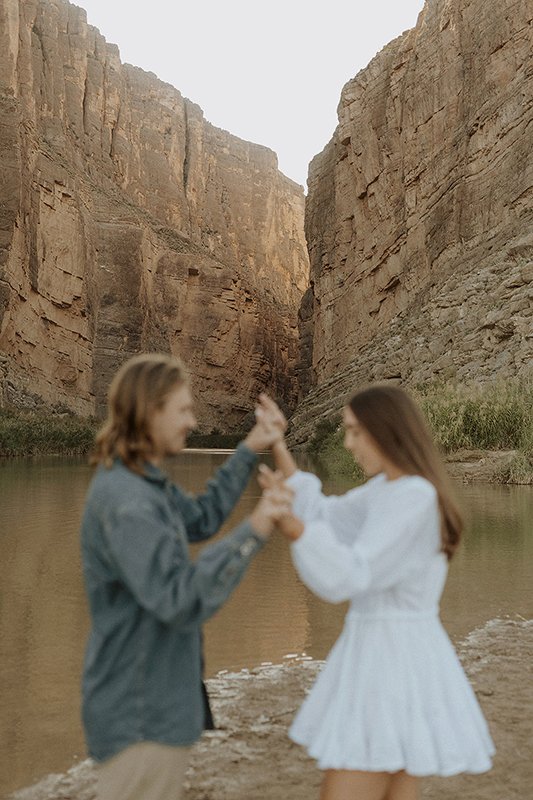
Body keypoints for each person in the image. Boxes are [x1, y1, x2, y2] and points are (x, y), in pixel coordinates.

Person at [256, 386, 495, 800]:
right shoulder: (387, 490)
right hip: (390, 653)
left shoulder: (415, 497)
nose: (347, 444)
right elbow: (326, 513)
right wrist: (278, 444)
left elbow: (355, 572)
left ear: (385, 432)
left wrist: (291, 527)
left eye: (354, 432)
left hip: (391, 661)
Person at [80, 353, 292, 800]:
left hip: (151, 706)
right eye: (183, 410)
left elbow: (201, 517)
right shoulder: (129, 501)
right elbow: (178, 597)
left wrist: (250, 446)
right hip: (140, 715)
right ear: (150, 411)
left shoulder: (139, 482)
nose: (192, 421)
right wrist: (254, 530)